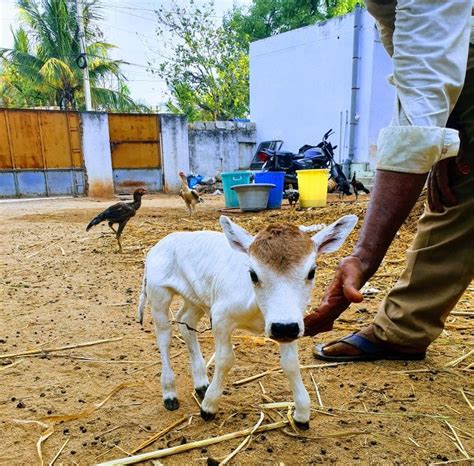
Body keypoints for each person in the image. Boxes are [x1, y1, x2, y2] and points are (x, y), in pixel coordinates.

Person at [304, 0, 474, 361]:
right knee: (459, 191)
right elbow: (402, 33)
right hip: (452, 44)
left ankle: (404, 328)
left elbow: (425, 70)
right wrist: (444, 135)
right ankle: (404, 328)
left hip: (459, 38)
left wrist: (363, 257)